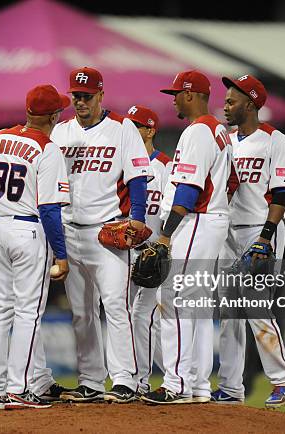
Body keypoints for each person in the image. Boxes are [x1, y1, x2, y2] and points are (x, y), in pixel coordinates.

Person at [51, 67, 152, 403]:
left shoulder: (122, 128)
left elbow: (138, 175)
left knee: (115, 305)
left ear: (100, 95)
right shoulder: (60, 132)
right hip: (69, 230)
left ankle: (124, 379)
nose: (80, 102)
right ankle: (91, 380)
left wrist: (137, 218)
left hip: (107, 230)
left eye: (86, 96)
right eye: (75, 96)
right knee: (81, 311)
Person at [141, 70, 236, 405]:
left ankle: (175, 383)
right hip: (212, 219)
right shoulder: (219, 131)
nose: (173, 99)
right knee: (196, 306)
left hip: (194, 220)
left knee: (175, 301)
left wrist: (165, 235)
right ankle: (196, 384)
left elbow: (189, 188)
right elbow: (233, 183)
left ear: (191, 95)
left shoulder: (198, 132)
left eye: (177, 94)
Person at [212, 74, 285, 408]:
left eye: (232, 101)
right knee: (229, 312)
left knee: (256, 305)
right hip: (227, 230)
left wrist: (265, 237)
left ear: (250, 104)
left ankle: (283, 380)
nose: (226, 105)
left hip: (258, 230)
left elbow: (281, 193)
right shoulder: (224, 140)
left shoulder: (276, 141)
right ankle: (231, 386)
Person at [0, 84, 71, 410]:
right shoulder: (48, 149)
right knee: (28, 312)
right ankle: (19, 389)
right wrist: (61, 255)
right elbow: (49, 209)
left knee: (0, 308)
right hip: (26, 229)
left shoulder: (2, 136)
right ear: (53, 115)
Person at [125, 105, 171, 396]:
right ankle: (132, 378)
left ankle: (143, 380)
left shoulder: (165, 166)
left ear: (150, 129)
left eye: (136, 126)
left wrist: (165, 246)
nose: (129, 131)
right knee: (126, 316)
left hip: (154, 252)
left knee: (145, 317)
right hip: (125, 250)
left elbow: (172, 211)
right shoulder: (123, 161)